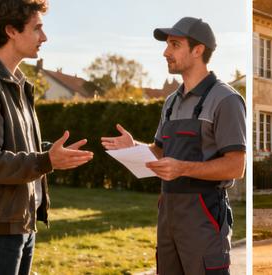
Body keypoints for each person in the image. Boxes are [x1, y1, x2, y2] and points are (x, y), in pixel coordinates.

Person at [0, 0, 94, 274]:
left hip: (21, 221)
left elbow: (16, 146)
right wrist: (45, 161)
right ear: (11, 31)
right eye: (37, 28)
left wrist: (52, 153)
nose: (44, 37)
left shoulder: (16, 83)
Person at [101, 17, 246, 275]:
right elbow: (160, 151)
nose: (166, 52)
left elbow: (236, 166)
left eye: (175, 44)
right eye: (167, 44)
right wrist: (133, 146)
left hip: (204, 215)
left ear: (198, 50)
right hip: (168, 214)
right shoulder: (170, 102)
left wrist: (182, 168)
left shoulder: (226, 100)